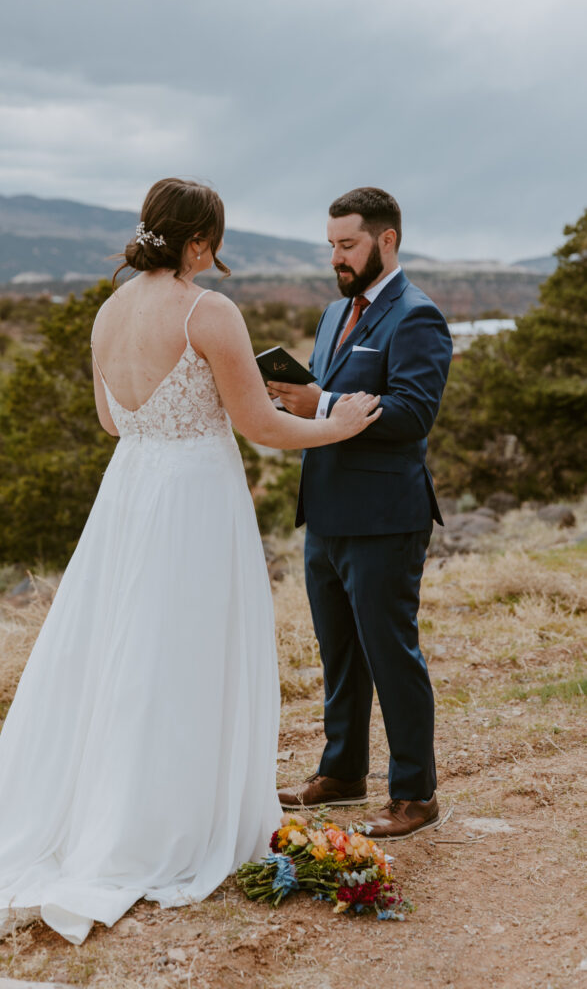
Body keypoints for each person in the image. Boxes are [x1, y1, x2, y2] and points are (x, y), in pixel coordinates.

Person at [0, 178, 381, 949]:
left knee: (119, 652)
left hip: (129, 492)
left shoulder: (108, 310)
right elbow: (260, 426)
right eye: (213, 243)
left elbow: (108, 418)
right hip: (194, 496)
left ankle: (112, 806)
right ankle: (167, 822)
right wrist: (343, 423)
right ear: (199, 242)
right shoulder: (207, 309)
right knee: (184, 653)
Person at [271, 187, 452, 838]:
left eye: (346, 246)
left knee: (389, 654)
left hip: (384, 518)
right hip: (324, 514)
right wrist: (297, 402)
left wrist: (318, 403)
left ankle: (415, 793)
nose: (336, 259)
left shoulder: (416, 317)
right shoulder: (331, 314)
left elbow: (409, 415)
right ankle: (340, 773)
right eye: (330, 247)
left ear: (386, 241)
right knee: (339, 656)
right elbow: (322, 401)